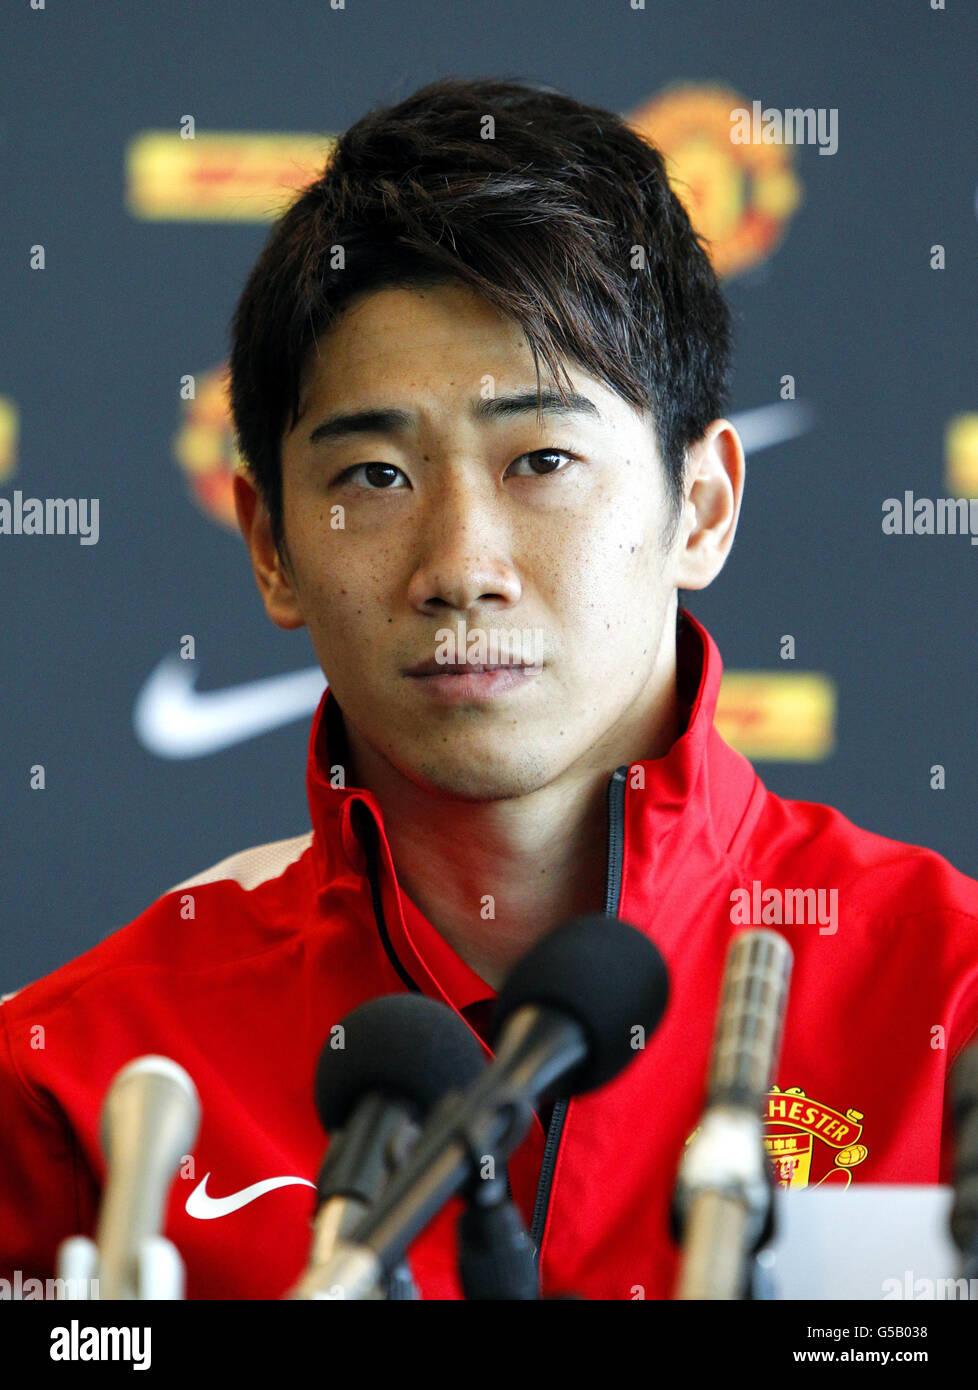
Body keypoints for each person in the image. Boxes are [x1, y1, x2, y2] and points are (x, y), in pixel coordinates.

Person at [2, 76, 976, 1302]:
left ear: (706, 507)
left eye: (545, 459)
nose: (461, 565)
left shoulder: (949, 1000)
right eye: (375, 471)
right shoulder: (85, 1074)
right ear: (268, 544)